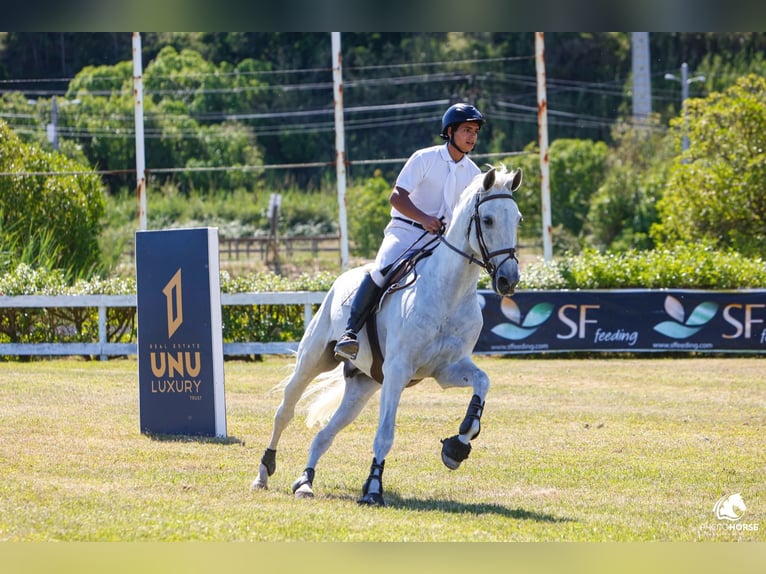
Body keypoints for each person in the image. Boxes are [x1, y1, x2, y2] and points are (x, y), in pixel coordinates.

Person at [334, 102, 485, 361]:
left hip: (439, 241)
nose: (472, 137)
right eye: (467, 130)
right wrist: (424, 218)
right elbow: (397, 197)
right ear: (450, 132)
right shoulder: (424, 158)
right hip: (405, 231)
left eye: (475, 132)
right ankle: (350, 333)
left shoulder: (474, 173)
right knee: (381, 271)